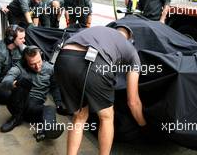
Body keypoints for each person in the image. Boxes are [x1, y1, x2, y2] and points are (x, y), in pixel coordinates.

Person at [54, 25, 146, 155]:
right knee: (106, 117)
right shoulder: (131, 50)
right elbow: (133, 101)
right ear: (130, 40)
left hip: (63, 59)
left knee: (79, 116)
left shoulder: (98, 30)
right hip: (96, 64)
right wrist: (143, 124)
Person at [0, 45, 67, 142]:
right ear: (26, 62)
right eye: (32, 64)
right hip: (18, 103)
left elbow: (55, 87)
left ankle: (46, 131)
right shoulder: (19, 67)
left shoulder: (50, 69)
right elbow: (6, 81)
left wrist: (59, 104)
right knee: (23, 80)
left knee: (50, 108)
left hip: (33, 108)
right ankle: (16, 118)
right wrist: (15, 83)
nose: (37, 66)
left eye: (39, 62)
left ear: (41, 56)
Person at [0, 25, 26, 106]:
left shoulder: (18, 48)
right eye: (21, 38)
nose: (24, 40)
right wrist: (10, 83)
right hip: (0, 81)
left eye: (24, 37)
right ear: (11, 39)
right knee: (12, 95)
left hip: (10, 77)